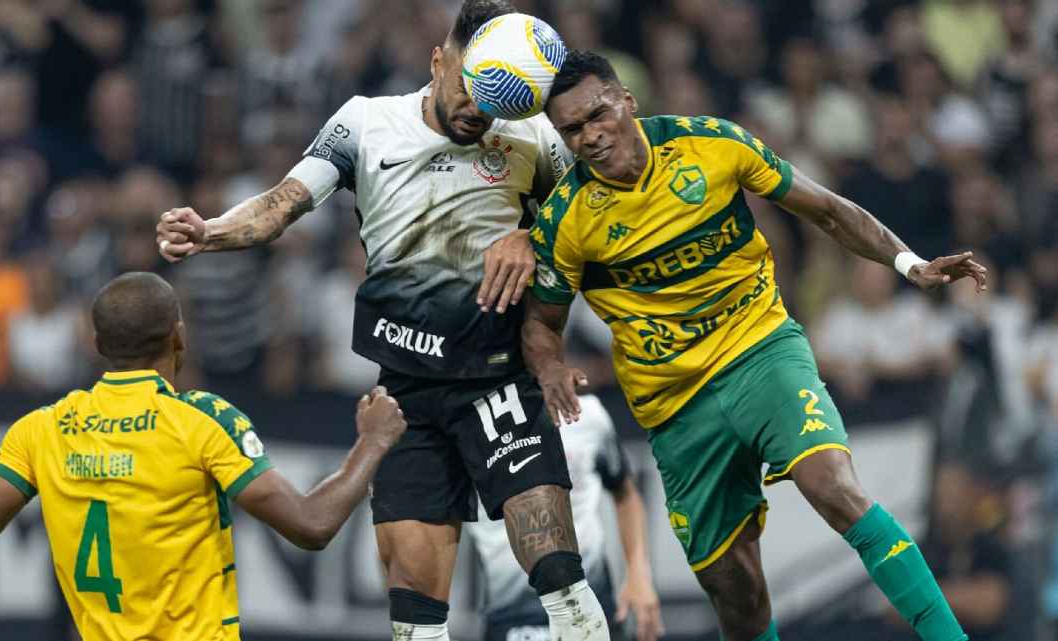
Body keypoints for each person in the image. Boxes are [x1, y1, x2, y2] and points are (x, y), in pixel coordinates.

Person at [154, 3, 610, 641]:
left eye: (497, 99)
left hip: (499, 381)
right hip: (406, 397)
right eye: (468, 87)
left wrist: (536, 237)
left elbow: (597, 211)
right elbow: (283, 203)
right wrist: (210, 231)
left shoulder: (530, 136)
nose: (480, 109)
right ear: (438, 61)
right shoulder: (365, 123)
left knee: (560, 578)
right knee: (417, 619)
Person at [523, 50, 988, 641]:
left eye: (598, 115)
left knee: (835, 487)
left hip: (758, 349)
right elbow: (541, 321)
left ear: (627, 102)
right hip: (674, 404)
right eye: (573, 129)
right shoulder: (566, 218)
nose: (590, 136)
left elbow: (828, 211)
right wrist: (550, 366)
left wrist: (909, 263)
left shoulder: (711, 145)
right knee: (735, 595)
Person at [0, 272, 407, 641]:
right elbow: (311, 524)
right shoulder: (200, 421)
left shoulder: (43, 428)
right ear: (178, 336)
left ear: (97, 345)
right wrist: (372, 442)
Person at [466, 394, 663, 641]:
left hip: (592, 602)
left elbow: (625, 494)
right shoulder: (468, 423)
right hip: (512, 612)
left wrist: (638, 574)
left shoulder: (587, 415)